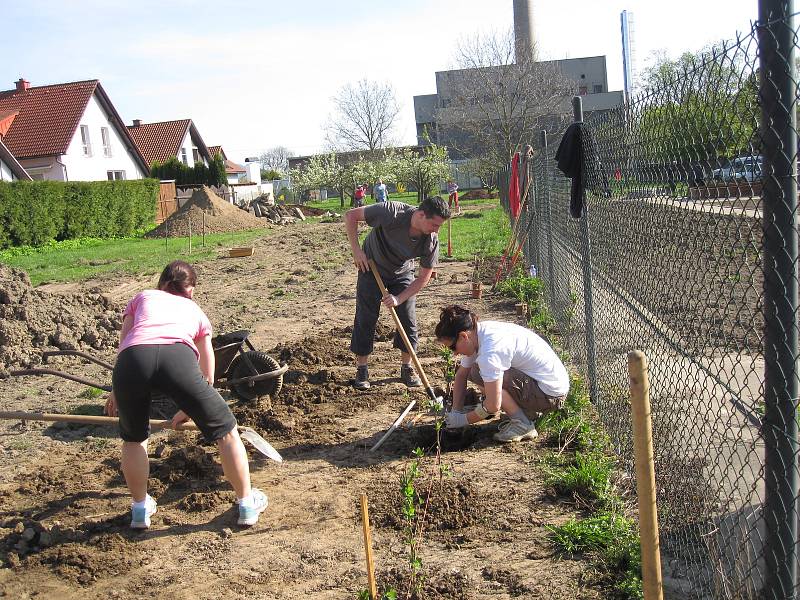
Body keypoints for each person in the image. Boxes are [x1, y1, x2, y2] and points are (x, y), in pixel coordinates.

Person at [105, 261, 269, 528]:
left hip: (132, 362)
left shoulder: (142, 297)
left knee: (134, 439)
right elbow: (207, 374)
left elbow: (125, 343)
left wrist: (117, 390)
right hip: (176, 359)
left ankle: (139, 510)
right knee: (227, 431)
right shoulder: (195, 310)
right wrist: (192, 407)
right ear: (190, 290)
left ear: (162, 283)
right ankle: (247, 505)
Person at [345, 196, 451, 390]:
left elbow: (422, 279)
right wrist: (356, 251)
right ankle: (362, 369)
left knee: (408, 318)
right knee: (366, 317)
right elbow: (351, 216)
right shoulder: (392, 212)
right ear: (420, 215)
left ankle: (406, 367)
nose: (437, 230)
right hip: (371, 266)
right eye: (435, 224)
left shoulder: (431, 241)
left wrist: (399, 298)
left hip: (402, 273)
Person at [434, 305, 570, 443]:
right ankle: (525, 410)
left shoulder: (490, 351)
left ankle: (523, 424)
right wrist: (456, 412)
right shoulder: (478, 333)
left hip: (550, 395)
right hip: (543, 384)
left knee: (483, 374)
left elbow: (493, 405)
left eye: (452, 347)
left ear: (463, 336)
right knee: (475, 371)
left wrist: (464, 420)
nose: (455, 353)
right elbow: (461, 375)